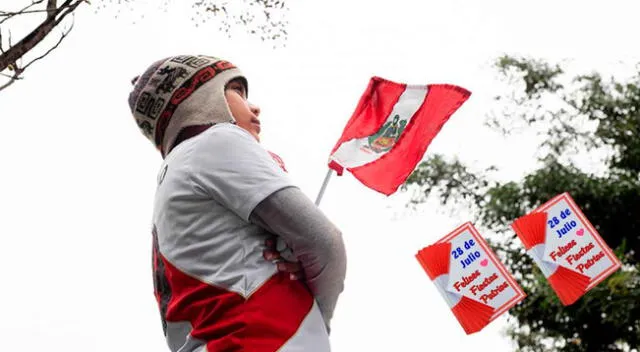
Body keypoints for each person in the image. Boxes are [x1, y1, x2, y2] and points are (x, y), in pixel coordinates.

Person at [128, 54, 347, 352]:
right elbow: (324, 242)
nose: (255, 107)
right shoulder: (216, 141)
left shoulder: (172, 178)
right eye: (239, 93)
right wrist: (317, 317)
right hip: (264, 339)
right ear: (202, 99)